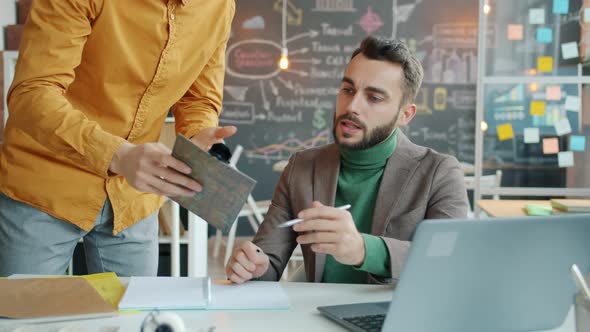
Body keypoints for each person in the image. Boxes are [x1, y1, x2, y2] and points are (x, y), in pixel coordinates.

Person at [0, 0, 236, 277]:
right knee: (23, 319)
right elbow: (32, 93)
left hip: (131, 197)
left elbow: (199, 99)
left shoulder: (219, 6)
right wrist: (116, 154)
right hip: (45, 184)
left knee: (137, 318)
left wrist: (200, 132)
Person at [226, 36, 469, 284]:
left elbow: (452, 261)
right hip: (316, 317)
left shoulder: (440, 172)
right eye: (348, 90)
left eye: (374, 98)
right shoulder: (301, 167)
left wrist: (363, 250)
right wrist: (255, 266)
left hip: (397, 318)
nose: (352, 106)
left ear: (405, 114)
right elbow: (269, 259)